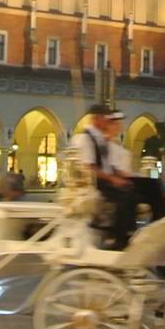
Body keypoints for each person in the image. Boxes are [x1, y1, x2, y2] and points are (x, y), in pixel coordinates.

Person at [70, 104, 144, 250]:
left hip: (106, 180)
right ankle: (119, 235)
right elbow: (89, 167)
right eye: (106, 118)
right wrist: (113, 179)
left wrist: (123, 176)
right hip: (98, 184)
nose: (108, 122)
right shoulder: (85, 139)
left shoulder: (99, 139)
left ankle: (126, 231)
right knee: (125, 196)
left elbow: (107, 165)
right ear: (96, 119)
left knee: (134, 191)